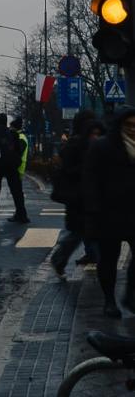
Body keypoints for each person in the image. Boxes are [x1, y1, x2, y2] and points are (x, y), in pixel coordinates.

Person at [82, 107, 135, 318]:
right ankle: (109, 301)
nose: (132, 129)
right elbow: (90, 179)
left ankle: (130, 293)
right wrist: (93, 209)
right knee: (108, 260)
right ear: (120, 125)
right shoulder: (103, 146)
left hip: (133, 211)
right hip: (109, 212)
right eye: (129, 125)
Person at [49, 110, 104, 279]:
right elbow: (68, 171)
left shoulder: (94, 143)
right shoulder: (75, 145)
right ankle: (59, 259)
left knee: (85, 233)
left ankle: (95, 261)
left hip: (91, 199)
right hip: (78, 199)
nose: (94, 134)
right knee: (77, 234)